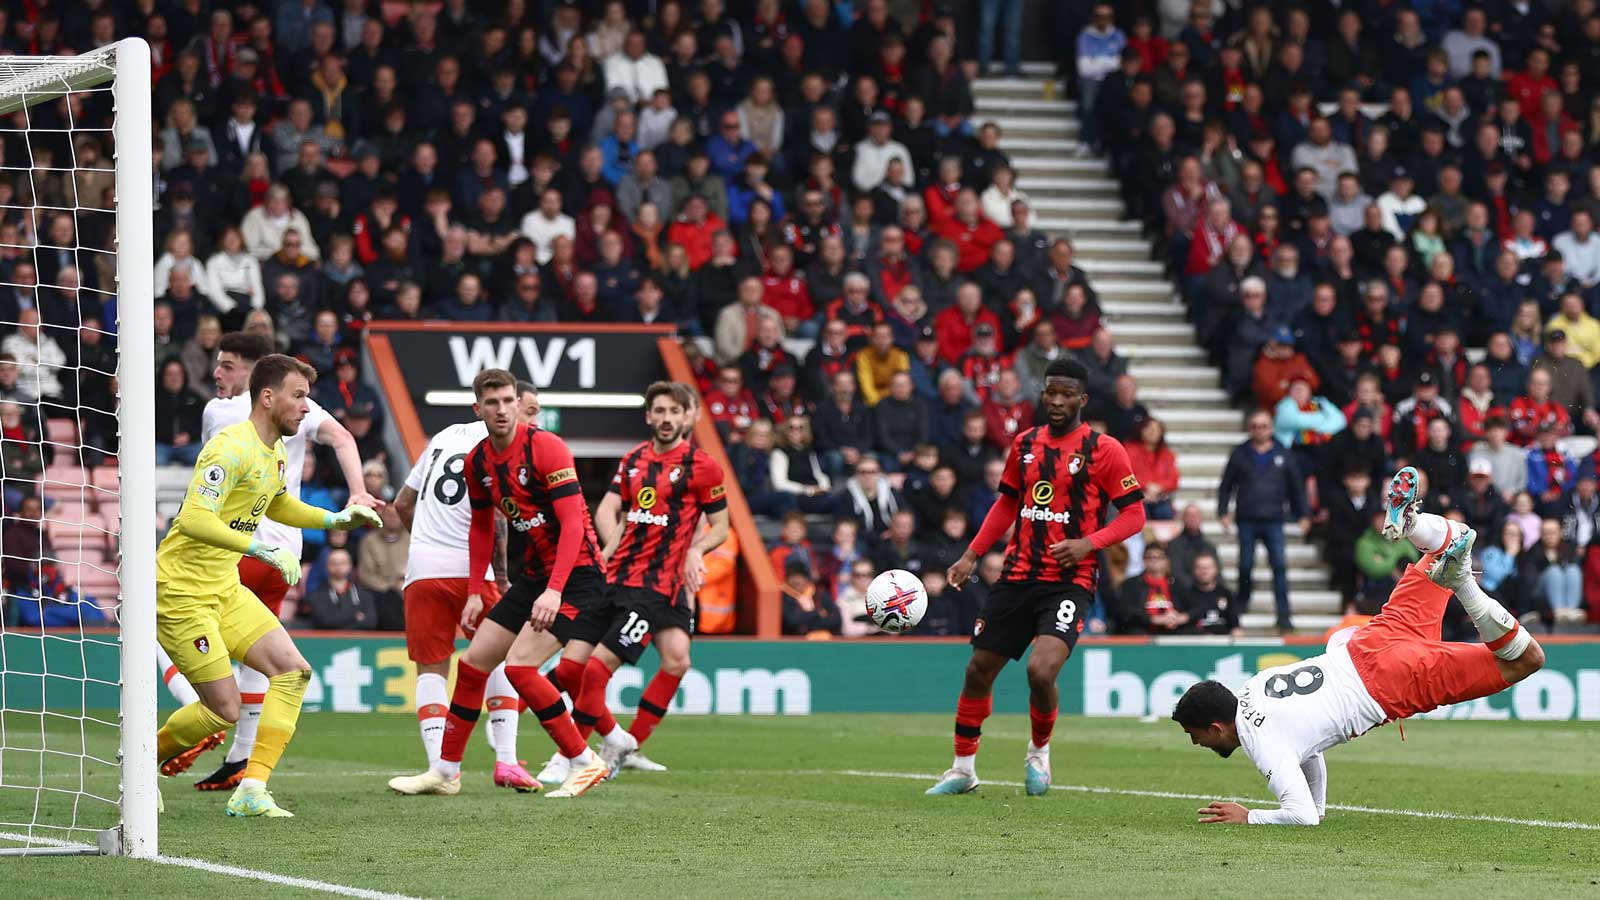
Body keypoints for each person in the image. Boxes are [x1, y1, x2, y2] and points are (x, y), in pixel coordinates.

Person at [1172, 469, 1545, 826]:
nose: (1196, 743)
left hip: (1391, 680)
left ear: (1216, 727)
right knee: (1454, 540)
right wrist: (1317, 807)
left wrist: (1249, 815)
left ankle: (1463, 584)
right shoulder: (1253, 688)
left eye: (1195, 735)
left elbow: (1297, 815)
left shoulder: (1262, 744)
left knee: (1527, 660)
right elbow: (1307, 753)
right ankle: (1411, 523)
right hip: (1367, 644)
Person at [154, 354, 381, 818]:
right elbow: (194, 518)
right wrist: (258, 549)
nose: (306, 407)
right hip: (181, 591)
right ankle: (137, 766)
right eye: (299, 396)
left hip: (225, 586)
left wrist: (334, 519)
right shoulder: (227, 448)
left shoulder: (274, 450)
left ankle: (252, 789)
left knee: (293, 672)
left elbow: (277, 505)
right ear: (267, 396)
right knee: (223, 708)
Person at [387, 369, 609, 799]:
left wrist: (555, 589)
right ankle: (446, 770)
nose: (502, 409)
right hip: (534, 578)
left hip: (576, 577)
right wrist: (474, 590)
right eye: (492, 403)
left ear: (517, 404)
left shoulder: (546, 447)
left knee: (520, 667)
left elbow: (572, 527)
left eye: (508, 401)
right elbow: (482, 529)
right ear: (478, 409)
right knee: (472, 665)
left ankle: (584, 761)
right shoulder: (479, 461)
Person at [929, 358, 1146, 797]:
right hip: (1017, 574)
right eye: (1052, 392)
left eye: (1067, 394)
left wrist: (1090, 543)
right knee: (978, 670)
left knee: (1041, 672)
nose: (1058, 401)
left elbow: (1135, 514)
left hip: (1069, 579)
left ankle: (1038, 754)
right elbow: (1007, 504)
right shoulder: (1024, 444)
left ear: (1082, 400)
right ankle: (963, 769)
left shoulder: (1105, 449)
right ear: (1042, 394)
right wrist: (972, 554)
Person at [564, 382, 731, 782]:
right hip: (632, 580)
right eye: (660, 410)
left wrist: (695, 551)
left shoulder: (702, 466)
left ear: (688, 416)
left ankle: (626, 746)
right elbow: (609, 509)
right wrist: (610, 545)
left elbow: (720, 527)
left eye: (675, 411)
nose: (668, 418)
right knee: (592, 667)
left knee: (677, 660)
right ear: (649, 416)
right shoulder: (633, 460)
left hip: (672, 582)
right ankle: (582, 751)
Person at [390, 381, 542, 791]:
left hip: (423, 568)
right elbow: (493, 517)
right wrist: (504, 575)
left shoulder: (442, 436)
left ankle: (443, 770)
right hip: (476, 571)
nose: (529, 420)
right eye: (529, 411)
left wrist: (424, 541)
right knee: (502, 657)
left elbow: (403, 504)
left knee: (431, 668)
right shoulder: (498, 447)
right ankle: (507, 760)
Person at [1216, 409, 1310, 633]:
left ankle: (1284, 615)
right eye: (1255, 426)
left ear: (1271, 428)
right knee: (1245, 564)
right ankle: (1242, 601)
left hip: (1273, 519)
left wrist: (1303, 514)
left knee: (1279, 566)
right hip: (1246, 518)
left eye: (1264, 426)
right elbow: (1226, 484)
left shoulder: (1283, 453)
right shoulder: (1240, 453)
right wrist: (1223, 511)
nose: (1259, 430)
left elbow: (1296, 487)